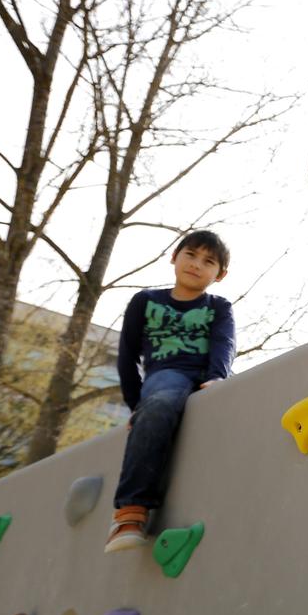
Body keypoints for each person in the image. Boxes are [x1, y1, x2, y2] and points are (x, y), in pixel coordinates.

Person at [106, 231, 235, 552]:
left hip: (207, 375)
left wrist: (218, 378)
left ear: (220, 275)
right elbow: (127, 356)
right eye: (190, 255)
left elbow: (224, 344)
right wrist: (137, 405)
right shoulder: (145, 301)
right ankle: (130, 512)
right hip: (167, 374)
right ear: (174, 256)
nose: (196, 265)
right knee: (162, 402)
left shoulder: (218, 306)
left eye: (208, 262)